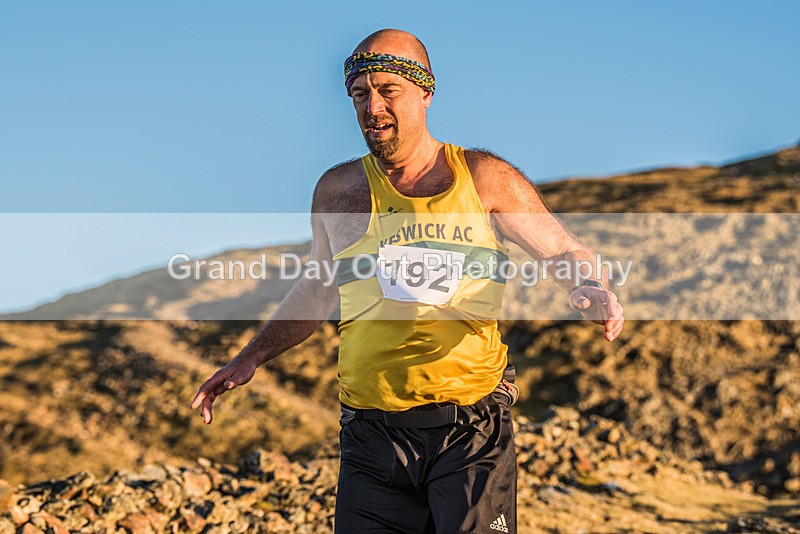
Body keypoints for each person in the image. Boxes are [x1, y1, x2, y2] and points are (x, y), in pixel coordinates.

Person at [191, 28, 624, 534]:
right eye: (359, 94)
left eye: (387, 90)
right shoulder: (337, 190)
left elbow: (564, 249)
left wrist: (588, 286)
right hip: (370, 436)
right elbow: (318, 286)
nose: (372, 107)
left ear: (425, 92)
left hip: (469, 432)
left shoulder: (483, 178)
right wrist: (250, 356)